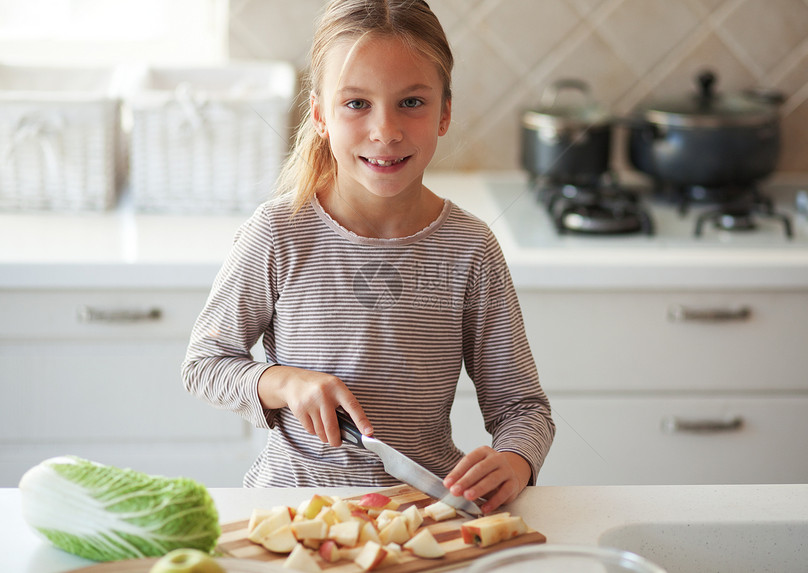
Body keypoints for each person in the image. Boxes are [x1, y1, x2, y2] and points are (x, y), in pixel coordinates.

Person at [182, 0, 555, 514]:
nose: (386, 131)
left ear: (445, 112)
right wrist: (284, 381)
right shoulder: (278, 234)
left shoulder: (469, 249)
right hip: (293, 512)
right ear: (319, 115)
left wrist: (515, 461)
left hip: (420, 516)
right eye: (357, 103)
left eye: (412, 103)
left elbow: (523, 408)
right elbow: (204, 365)